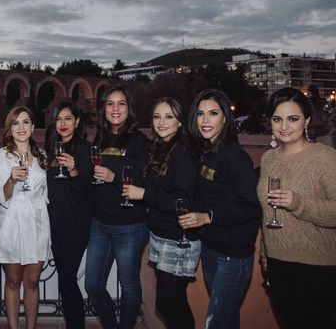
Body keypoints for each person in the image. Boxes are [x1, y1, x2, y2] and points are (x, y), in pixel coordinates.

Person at [179, 89, 261, 329]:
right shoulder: (206, 153)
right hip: (211, 250)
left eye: (213, 113)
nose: (205, 121)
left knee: (215, 323)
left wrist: (207, 217)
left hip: (233, 257)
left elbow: (251, 207)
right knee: (228, 321)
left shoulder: (235, 157)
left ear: (225, 118)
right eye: (200, 114)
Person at [258, 87, 336, 328]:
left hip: (317, 268)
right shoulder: (268, 158)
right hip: (277, 264)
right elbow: (266, 213)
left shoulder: (324, 158)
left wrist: (298, 203)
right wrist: (265, 256)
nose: (284, 126)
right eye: (277, 119)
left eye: (293, 119)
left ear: (307, 121)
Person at [124, 97, 200, 328]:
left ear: (180, 122)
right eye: (157, 117)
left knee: (168, 304)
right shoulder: (159, 148)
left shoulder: (183, 154)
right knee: (173, 303)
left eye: (169, 117)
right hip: (161, 235)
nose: (161, 122)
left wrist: (144, 194)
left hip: (178, 239)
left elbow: (182, 201)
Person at [84, 84, 150, 329]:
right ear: (103, 109)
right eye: (110, 103)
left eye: (121, 103)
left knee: (129, 285)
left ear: (128, 108)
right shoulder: (99, 138)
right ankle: (112, 324)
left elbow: (145, 179)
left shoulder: (139, 140)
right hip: (99, 223)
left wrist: (114, 177)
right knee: (92, 284)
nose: (115, 108)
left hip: (130, 225)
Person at [0, 106, 50, 329]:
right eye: (15, 123)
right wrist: (11, 179)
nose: (21, 127)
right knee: (14, 281)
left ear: (33, 127)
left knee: (32, 282)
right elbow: (1, 196)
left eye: (25, 122)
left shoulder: (42, 156)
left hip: (37, 223)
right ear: (9, 128)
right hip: (11, 223)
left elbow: (47, 193)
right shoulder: (1, 156)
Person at [44, 101, 91, 329]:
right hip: (56, 225)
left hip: (76, 226)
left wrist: (73, 171)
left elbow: (85, 192)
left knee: (68, 280)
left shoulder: (84, 149)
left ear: (77, 121)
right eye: (59, 119)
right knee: (65, 283)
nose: (63, 123)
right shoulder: (51, 147)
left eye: (68, 118)